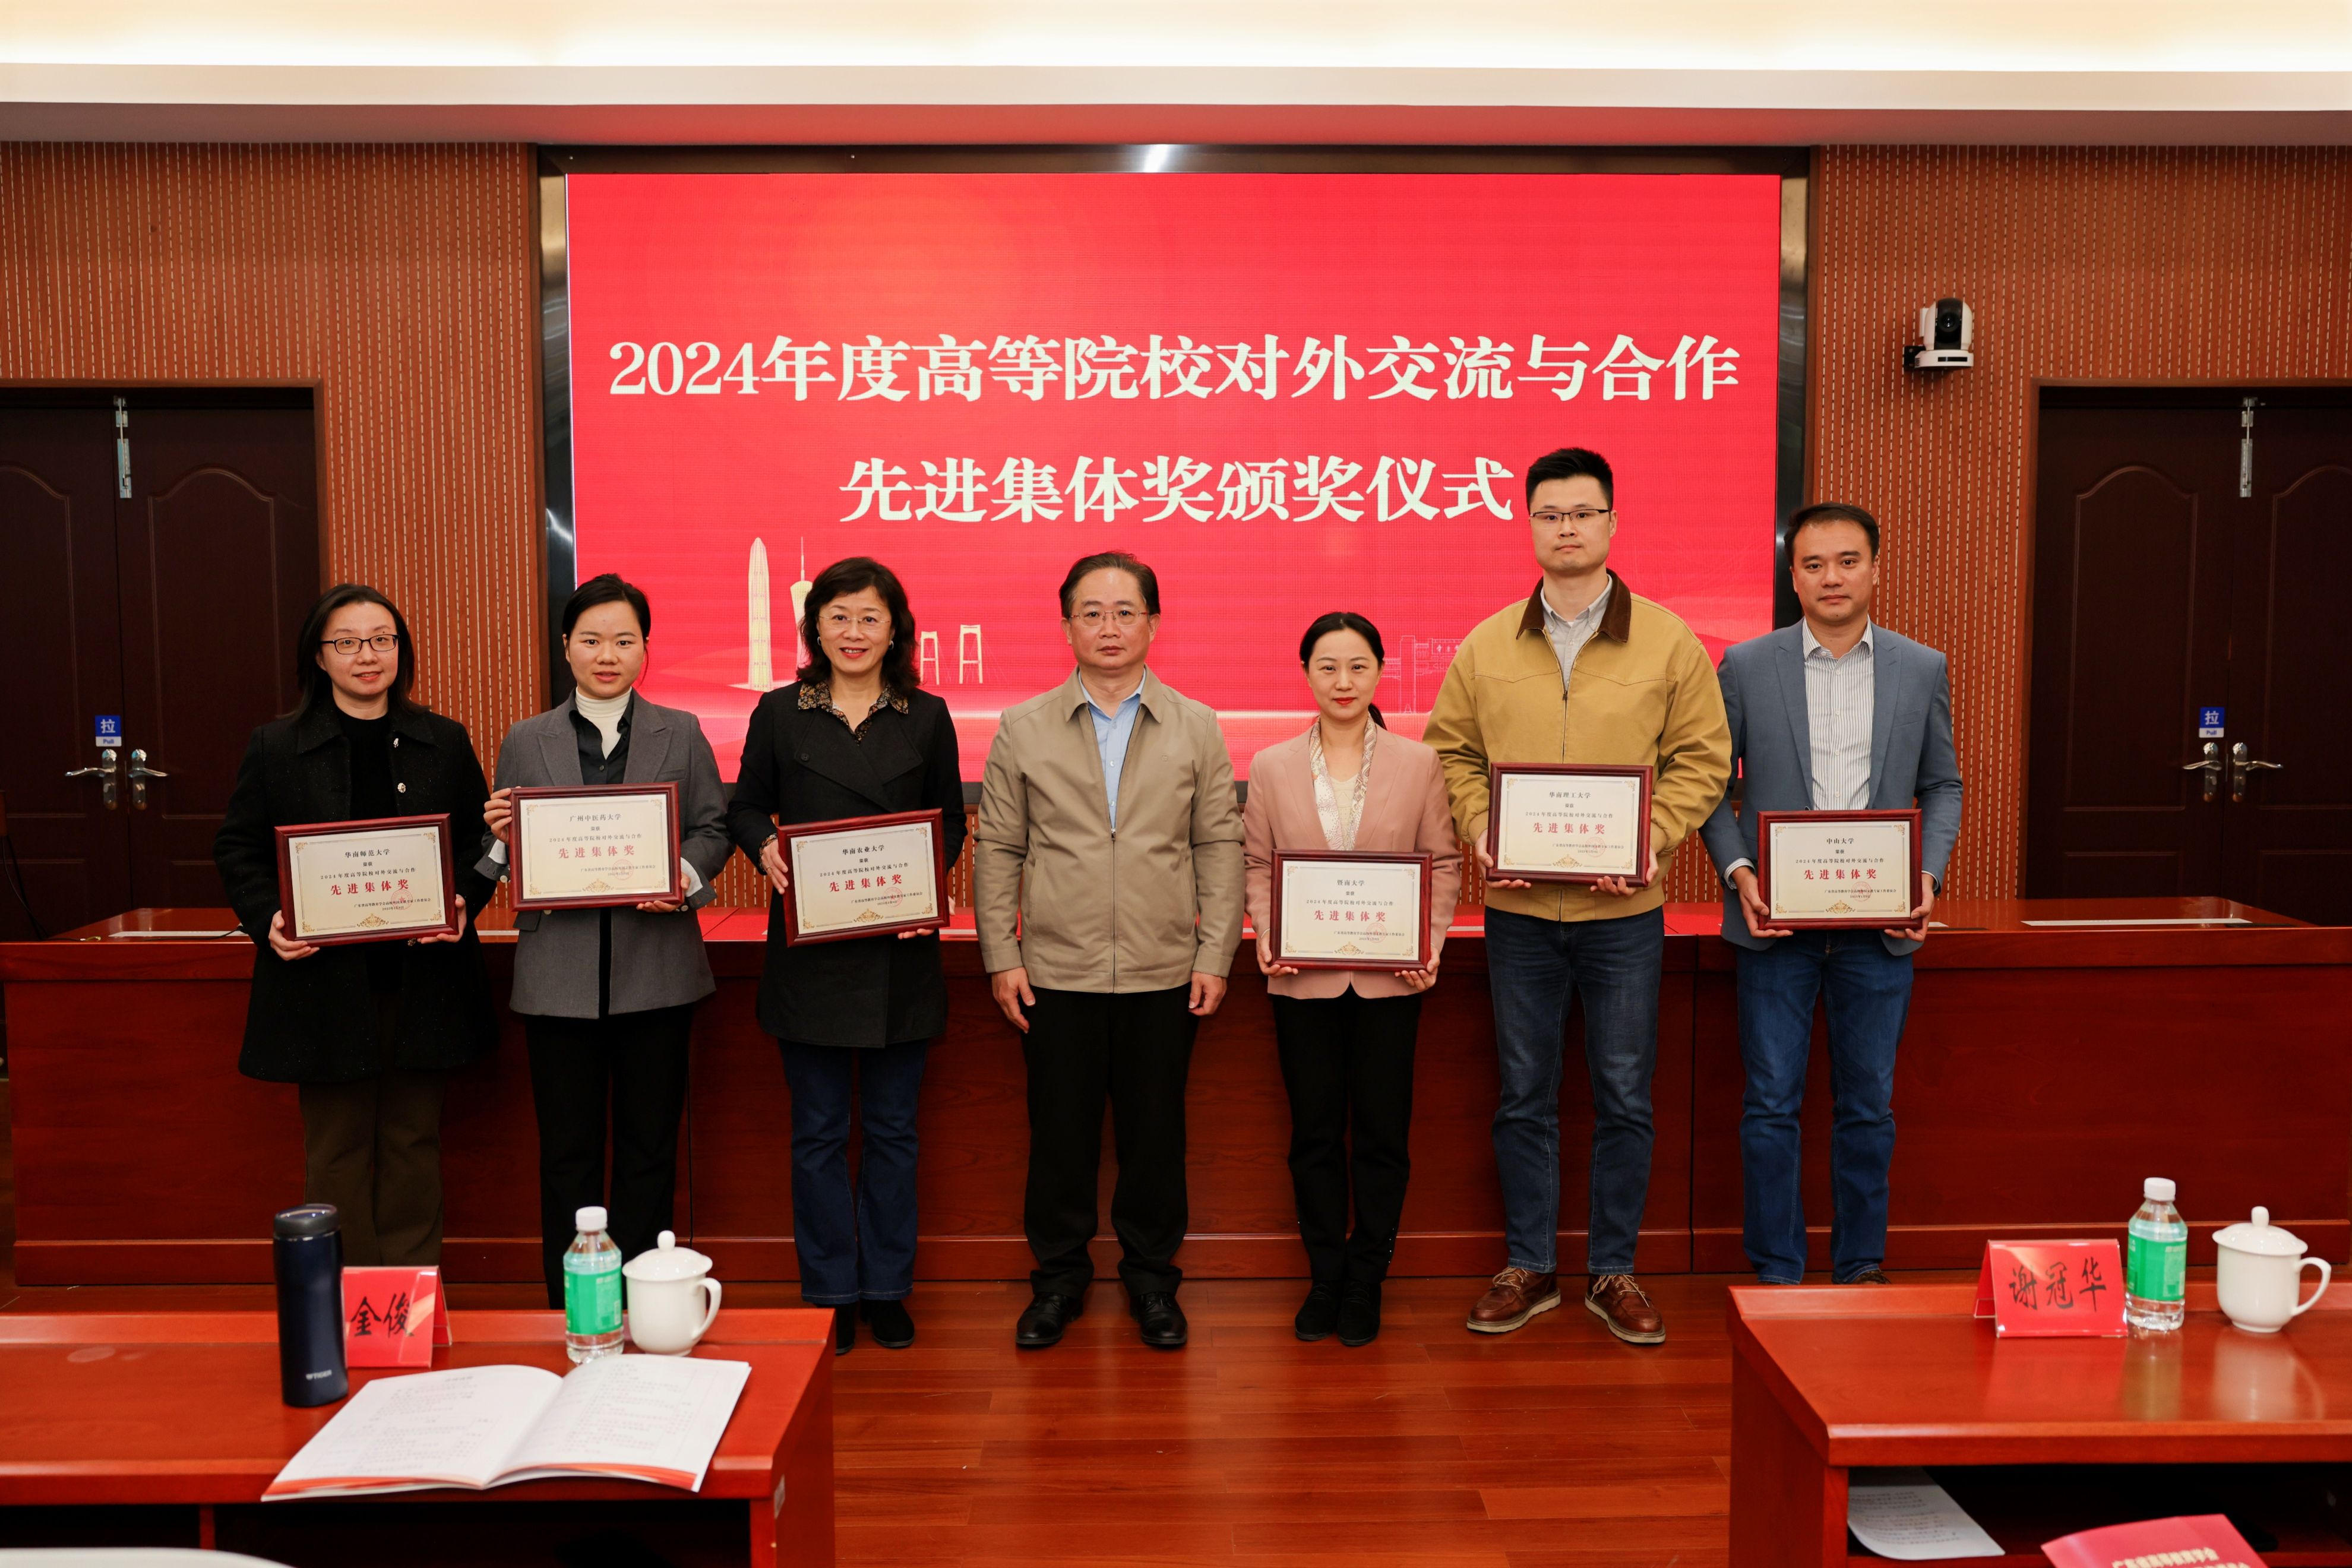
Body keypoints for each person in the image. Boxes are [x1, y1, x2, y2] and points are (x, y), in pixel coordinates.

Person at [1424, 447, 1731, 1345]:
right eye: (1550, 514)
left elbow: (1703, 759)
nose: (1567, 528)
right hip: (1520, 915)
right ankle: (1528, 1266)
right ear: (1530, 526)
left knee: (1625, 1095)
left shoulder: (1669, 641)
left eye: (1583, 513)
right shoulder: (1487, 644)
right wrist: (1483, 829)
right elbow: (1451, 753)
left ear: (1612, 523)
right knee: (1523, 1094)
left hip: (1624, 916)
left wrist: (1649, 839)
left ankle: (1614, 1269)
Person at [974, 551, 1244, 1352]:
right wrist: (1001, 955)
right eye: (1091, 613)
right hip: (1056, 971)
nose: (1109, 627)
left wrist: (1214, 954)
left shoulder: (1195, 725)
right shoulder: (1024, 727)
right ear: (1067, 628)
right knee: (1059, 1141)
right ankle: (1058, 1283)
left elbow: (1218, 845)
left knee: (1155, 1141)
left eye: (1126, 612)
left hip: (1165, 970)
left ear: (1153, 624)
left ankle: (1153, 1283)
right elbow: (1000, 849)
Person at [1698, 502, 1963, 1287]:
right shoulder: (1747, 666)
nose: (1832, 578)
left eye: (1848, 561)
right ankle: (1778, 1270)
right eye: (1813, 565)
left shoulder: (1921, 667)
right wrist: (1740, 875)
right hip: (1774, 928)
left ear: (1875, 568)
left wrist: (1926, 877)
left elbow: (1941, 785)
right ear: (1794, 577)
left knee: (1868, 1107)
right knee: (1770, 1104)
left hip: (1880, 931)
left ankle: (1860, 1266)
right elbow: (1711, 788)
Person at [213, 583, 497, 1267]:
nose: (367, 656)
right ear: (319, 656)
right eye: (347, 642)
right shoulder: (277, 746)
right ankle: (347, 1301)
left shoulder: (443, 740)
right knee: (337, 1150)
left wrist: (463, 900)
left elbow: (480, 842)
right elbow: (238, 847)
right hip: (323, 986)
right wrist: (268, 918)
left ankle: (409, 1302)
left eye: (381, 640)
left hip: (422, 979)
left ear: (401, 650)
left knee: (413, 1143)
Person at [727, 557, 965, 1357]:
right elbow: (746, 806)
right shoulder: (779, 712)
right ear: (815, 628)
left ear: (895, 629)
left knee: (894, 1133)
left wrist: (925, 885)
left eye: (870, 618)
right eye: (838, 617)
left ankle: (887, 1289)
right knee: (819, 1135)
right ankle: (831, 1292)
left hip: (899, 954)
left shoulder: (926, 715)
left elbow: (950, 820)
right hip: (811, 955)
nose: (854, 632)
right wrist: (763, 848)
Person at [478, 573, 734, 1308]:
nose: (607, 655)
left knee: (650, 1149)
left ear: (646, 649)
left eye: (624, 640)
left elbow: (713, 828)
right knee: (567, 1154)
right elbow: (508, 854)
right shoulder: (526, 739)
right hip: (557, 978)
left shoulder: (680, 731)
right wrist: (500, 839)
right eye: (591, 640)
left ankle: (647, 1303)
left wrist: (680, 876)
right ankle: (575, 1308)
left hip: (658, 971)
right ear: (566, 647)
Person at [1244, 612, 1463, 1348]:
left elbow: (1442, 863)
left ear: (1380, 672)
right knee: (1312, 1136)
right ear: (1306, 673)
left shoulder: (1418, 763)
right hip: (1302, 981)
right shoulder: (1271, 766)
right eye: (1328, 667)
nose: (1344, 681)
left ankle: (1367, 1278)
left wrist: (1427, 942)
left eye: (1358, 666)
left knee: (1380, 1137)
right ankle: (1325, 1276)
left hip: (1389, 982)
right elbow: (1256, 864)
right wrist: (1269, 932)